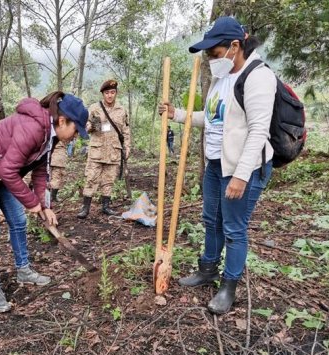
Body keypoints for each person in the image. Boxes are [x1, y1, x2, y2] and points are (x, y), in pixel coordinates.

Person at [159, 16, 276, 314]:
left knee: (234, 228)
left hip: (243, 168)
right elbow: (212, 120)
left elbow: (258, 131)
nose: (211, 57)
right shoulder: (221, 78)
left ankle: (229, 286)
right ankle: (207, 269)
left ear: (234, 46)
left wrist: (240, 174)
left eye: (214, 51)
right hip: (215, 164)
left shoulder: (257, 77)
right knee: (211, 220)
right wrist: (179, 114)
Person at [0, 91, 88, 313]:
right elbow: (8, 170)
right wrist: (32, 203)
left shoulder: (50, 135)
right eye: (77, 130)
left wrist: (44, 206)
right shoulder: (34, 127)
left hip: (2, 171)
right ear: (63, 120)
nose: (76, 136)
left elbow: (40, 173)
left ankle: (24, 270)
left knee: (18, 222)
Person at [77, 79, 131, 218]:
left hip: (114, 151)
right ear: (103, 94)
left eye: (113, 92)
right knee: (91, 178)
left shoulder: (122, 110)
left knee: (109, 180)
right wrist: (89, 127)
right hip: (97, 150)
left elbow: (126, 130)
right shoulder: (95, 108)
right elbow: (85, 125)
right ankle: (85, 208)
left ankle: (106, 206)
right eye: (107, 93)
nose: (110, 95)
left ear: (116, 93)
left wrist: (127, 147)